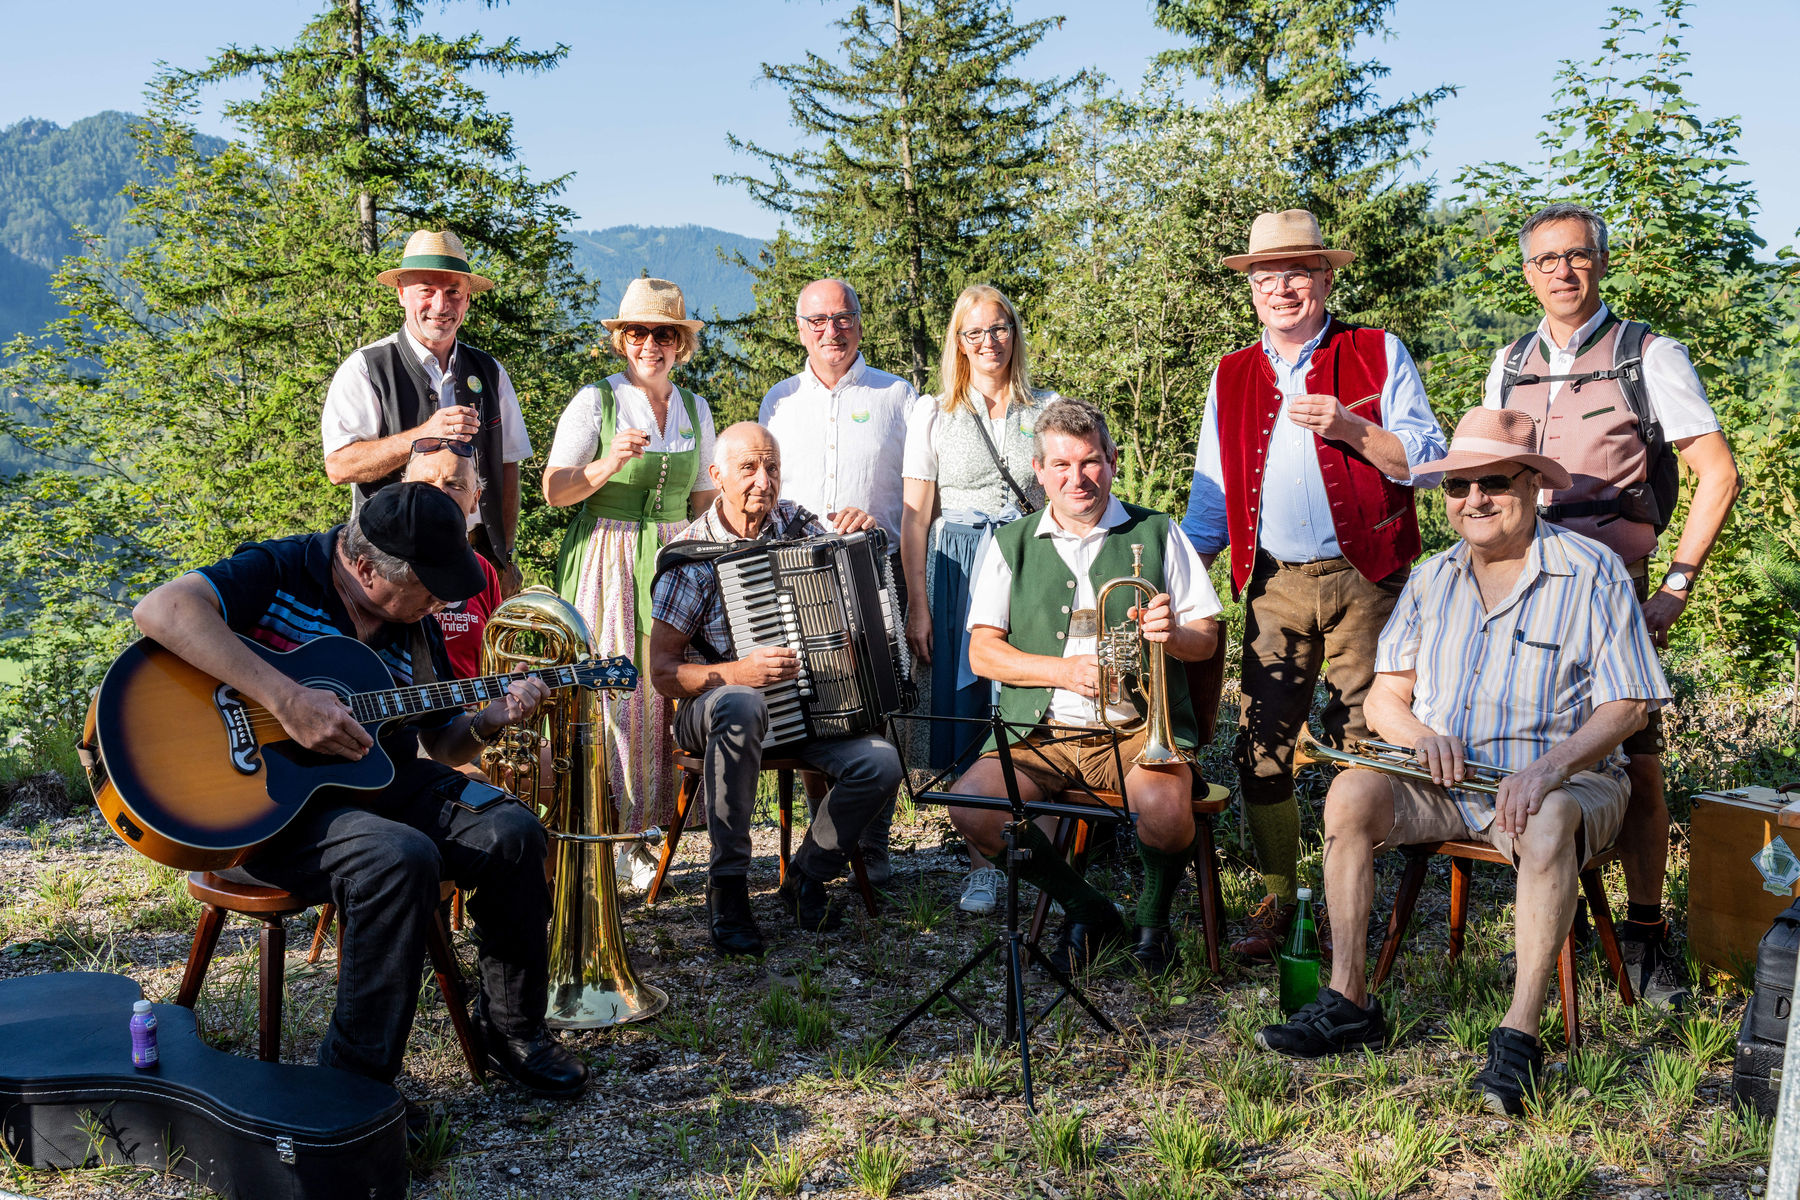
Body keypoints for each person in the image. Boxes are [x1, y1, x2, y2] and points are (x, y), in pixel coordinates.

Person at [1255, 407, 1670, 1116]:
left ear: (1535, 486)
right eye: (1458, 487)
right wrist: (1419, 738)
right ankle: (1349, 998)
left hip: (1562, 782)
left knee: (1545, 823)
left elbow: (1629, 704)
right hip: (1444, 781)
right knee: (1350, 796)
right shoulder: (1431, 577)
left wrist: (1549, 769)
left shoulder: (1591, 570)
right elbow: (1387, 699)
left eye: (1494, 483)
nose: (1473, 500)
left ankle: (1518, 1038)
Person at [130, 483, 587, 1099]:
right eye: (426, 586)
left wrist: (490, 719)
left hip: (381, 784)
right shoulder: (282, 569)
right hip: (268, 807)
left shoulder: (413, 625)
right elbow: (162, 611)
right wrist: (285, 698)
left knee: (513, 831)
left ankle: (513, 1030)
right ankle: (355, 1089)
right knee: (397, 858)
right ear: (365, 567)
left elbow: (445, 745)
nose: (437, 602)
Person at [1482, 201, 1741, 1007]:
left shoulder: (1649, 355)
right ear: (1526, 273)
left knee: (1636, 750)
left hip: (1617, 586)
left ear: (1601, 261)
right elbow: (1491, 476)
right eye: (1545, 260)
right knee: (1534, 740)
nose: (1562, 271)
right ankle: (1553, 913)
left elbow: (1719, 472)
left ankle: (1645, 928)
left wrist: (1677, 582)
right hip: (1525, 582)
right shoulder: (1508, 360)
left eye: (1577, 256)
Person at [1182, 209, 1448, 961]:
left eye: (1298, 272)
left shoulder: (1376, 350)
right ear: (1252, 289)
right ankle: (1278, 897)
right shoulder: (1231, 372)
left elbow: (1427, 459)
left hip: (1368, 578)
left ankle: (1349, 907)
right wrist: (1181, 571)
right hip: (1271, 584)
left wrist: (1352, 430)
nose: (1281, 288)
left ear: (1327, 277)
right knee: (1260, 747)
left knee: (1367, 744)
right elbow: (1212, 498)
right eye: (1267, 276)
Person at [947, 399, 1222, 976]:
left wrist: (1172, 636)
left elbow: (1207, 638)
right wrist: (1061, 672)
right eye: (1062, 466)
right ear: (1039, 471)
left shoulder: (1157, 531)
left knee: (1169, 813)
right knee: (972, 806)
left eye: (1091, 462)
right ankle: (1088, 908)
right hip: (1042, 732)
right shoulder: (1013, 542)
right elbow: (983, 652)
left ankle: (1153, 920)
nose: (1078, 479)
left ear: (1113, 461)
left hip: (1136, 729)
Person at [646, 422, 905, 957]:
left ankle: (808, 875)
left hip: (807, 713)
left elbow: (848, 579)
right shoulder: (689, 556)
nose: (763, 482)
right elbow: (664, 673)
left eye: (773, 469)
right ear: (716, 477)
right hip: (711, 710)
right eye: (748, 469)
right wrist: (739, 673)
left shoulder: (796, 524)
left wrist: (860, 528)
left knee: (881, 762)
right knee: (741, 703)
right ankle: (729, 887)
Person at [543, 278, 718, 886]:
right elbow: (555, 490)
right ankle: (611, 830)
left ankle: (653, 834)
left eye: (664, 334)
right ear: (622, 342)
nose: (651, 345)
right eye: (638, 333)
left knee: (669, 686)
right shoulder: (596, 402)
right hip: (609, 553)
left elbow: (702, 499)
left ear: (680, 345)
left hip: (676, 554)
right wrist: (608, 462)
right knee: (618, 690)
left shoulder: (697, 409)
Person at [759, 278, 925, 883]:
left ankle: (872, 848)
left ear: (860, 320)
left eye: (843, 317)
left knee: (874, 705)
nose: (832, 330)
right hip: (797, 575)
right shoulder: (778, 401)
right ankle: (825, 840)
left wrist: (876, 518)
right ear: (800, 328)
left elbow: (918, 496)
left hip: (872, 569)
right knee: (812, 702)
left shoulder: (898, 394)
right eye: (818, 320)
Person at [901, 284, 1053, 916]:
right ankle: (982, 861)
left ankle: (1042, 854)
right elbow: (915, 516)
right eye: (974, 333)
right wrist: (917, 601)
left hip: (1024, 562)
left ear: (1014, 334)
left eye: (999, 329)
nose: (989, 342)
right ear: (957, 344)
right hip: (955, 567)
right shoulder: (933, 413)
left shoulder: (1046, 407)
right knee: (968, 710)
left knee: (1026, 703)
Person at [321, 229, 532, 591]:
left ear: (467, 299)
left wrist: (505, 553)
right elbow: (339, 466)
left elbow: (507, 466)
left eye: (452, 292)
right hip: (391, 560)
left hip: (474, 556)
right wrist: (422, 435)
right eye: (427, 291)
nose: (440, 305)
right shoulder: (366, 368)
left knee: (473, 650)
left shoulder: (489, 371)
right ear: (402, 293)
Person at [405, 438, 503, 680]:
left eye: (455, 485)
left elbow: (494, 661)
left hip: (471, 715)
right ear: (402, 489)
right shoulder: (377, 561)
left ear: (475, 499)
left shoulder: (483, 570)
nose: (439, 492)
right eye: (426, 482)